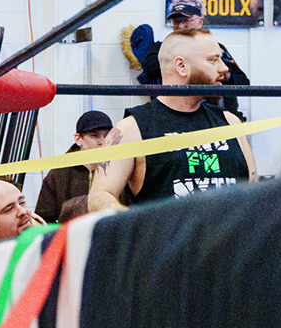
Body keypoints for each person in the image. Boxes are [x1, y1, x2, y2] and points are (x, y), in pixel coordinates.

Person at [94, 29, 257, 205]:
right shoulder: (132, 128)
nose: (224, 68)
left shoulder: (230, 122)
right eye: (213, 59)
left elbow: (253, 193)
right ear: (181, 66)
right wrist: (137, 223)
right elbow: (100, 196)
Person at [128, 0, 250, 115]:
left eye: (186, 20)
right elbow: (150, 70)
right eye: (176, 21)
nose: (181, 26)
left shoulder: (215, 48)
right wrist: (180, 51)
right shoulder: (161, 48)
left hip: (218, 115)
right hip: (175, 115)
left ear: (200, 21)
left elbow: (244, 82)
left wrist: (227, 76)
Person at [33, 110, 121, 221]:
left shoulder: (121, 170)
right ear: (78, 140)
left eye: (107, 136)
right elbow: (42, 221)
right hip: (70, 231)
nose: (102, 142)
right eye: (94, 136)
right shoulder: (59, 174)